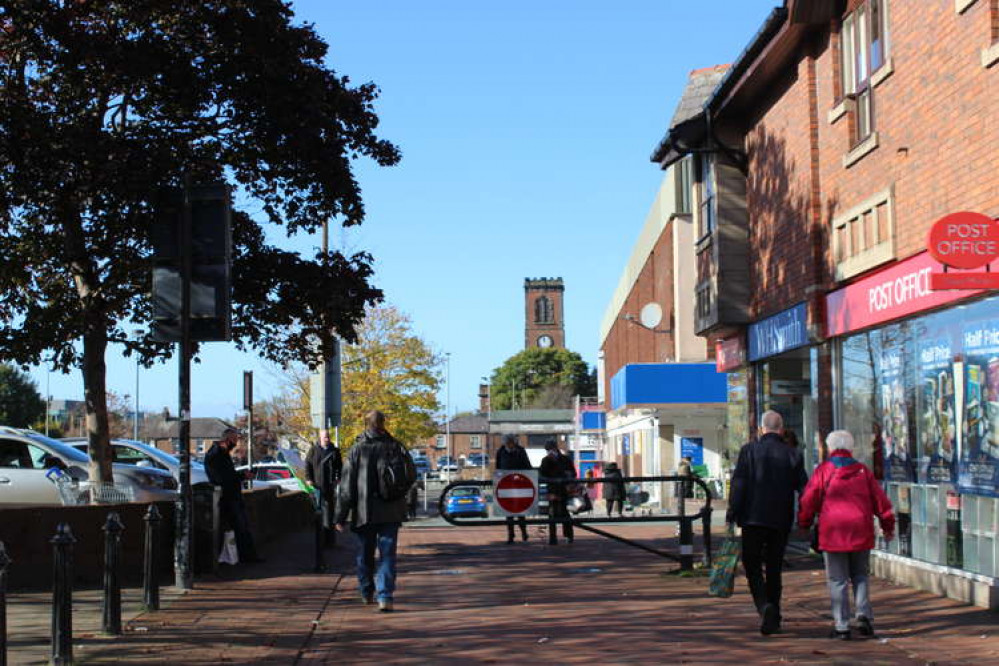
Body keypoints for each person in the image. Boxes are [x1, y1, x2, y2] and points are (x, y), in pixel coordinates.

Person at [798, 430, 895, 640]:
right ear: (851, 449)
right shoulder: (863, 471)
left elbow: (808, 500)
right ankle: (863, 616)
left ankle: (842, 625)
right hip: (861, 530)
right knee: (860, 575)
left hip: (833, 533)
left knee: (837, 579)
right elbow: (881, 503)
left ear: (830, 448)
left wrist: (804, 523)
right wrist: (888, 526)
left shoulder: (823, 471)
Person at [727, 410, 807, 636]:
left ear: (761, 429)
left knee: (752, 566)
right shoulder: (792, 454)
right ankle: (775, 614)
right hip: (780, 519)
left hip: (752, 518)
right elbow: (804, 488)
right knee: (774, 567)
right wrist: (806, 516)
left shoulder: (748, 451)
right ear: (781, 430)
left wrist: (733, 511)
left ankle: (764, 606)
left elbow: (739, 484)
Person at [334, 411, 410, 612]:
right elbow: (410, 476)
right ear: (383, 424)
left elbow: (347, 487)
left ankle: (366, 591)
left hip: (363, 512)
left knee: (364, 554)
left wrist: (340, 516)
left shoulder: (357, 449)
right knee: (387, 555)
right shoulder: (396, 446)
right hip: (391, 511)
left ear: (366, 425)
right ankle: (385, 596)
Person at [204, 427, 263, 564]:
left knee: (242, 528)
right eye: (234, 440)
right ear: (226, 440)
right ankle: (244, 558)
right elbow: (222, 478)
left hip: (232, 496)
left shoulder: (223, 453)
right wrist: (242, 475)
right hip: (227, 498)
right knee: (239, 528)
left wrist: (242, 476)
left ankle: (246, 557)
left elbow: (228, 475)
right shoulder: (215, 455)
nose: (236, 443)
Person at [306, 429, 342, 546]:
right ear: (320, 438)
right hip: (317, 485)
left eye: (328, 437)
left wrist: (338, 478)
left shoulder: (334, 451)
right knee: (320, 513)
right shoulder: (313, 450)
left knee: (330, 513)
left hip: (330, 486)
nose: (327, 439)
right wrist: (309, 479)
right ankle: (320, 541)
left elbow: (339, 466)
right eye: (325, 437)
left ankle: (330, 541)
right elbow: (308, 465)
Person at [495, 434, 532, 543]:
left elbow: (527, 466)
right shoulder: (500, 452)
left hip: (519, 484)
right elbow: (498, 467)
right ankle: (511, 536)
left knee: (521, 512)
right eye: (508, 442)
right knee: (508, 513)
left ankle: (524, 534)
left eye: (512, 442)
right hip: (506, 485)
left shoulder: (521, 451)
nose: (510, 444)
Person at [540, 439, 576, 544]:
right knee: (552, 513)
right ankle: (553, 538)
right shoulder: (545, 460)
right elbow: (542, 474)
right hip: (552, 490)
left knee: (565, 513)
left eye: (551, 449)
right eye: (547, 450)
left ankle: (568, 536)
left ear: (556, 448)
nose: (549, 452)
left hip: (564, 490)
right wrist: (548, 462)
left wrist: (567, 478)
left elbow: (573, 473)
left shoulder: (565, 459)